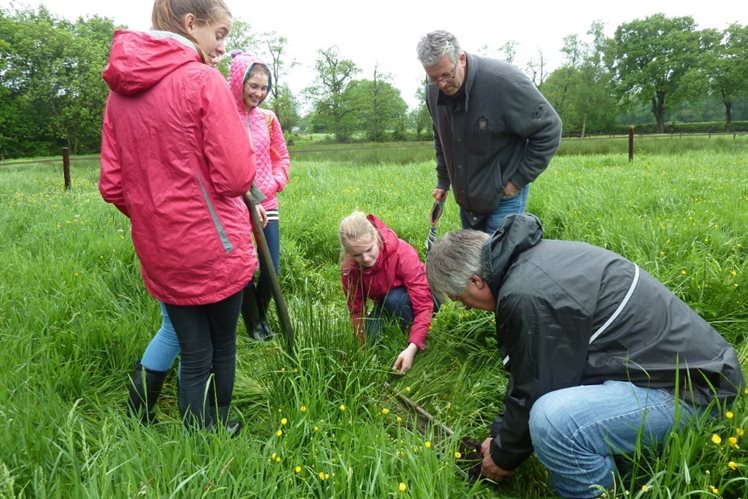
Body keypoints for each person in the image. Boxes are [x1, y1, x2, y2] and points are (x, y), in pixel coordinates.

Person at [425, 214, 745, 498]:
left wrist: (502, 456)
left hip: (698, 394)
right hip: (692, 373)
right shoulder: (531, 261)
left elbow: (539, 387)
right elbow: (531, 372)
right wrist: (498, 436)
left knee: (553, 421)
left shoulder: (524, 295)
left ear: (476, 281)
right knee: (547, 414)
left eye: (460, 298)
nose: (466, 307)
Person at [100, 0, 257, 431]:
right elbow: (236, 177)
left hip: (160, 250)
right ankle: (217, 429)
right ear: (191, 24)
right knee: (222, 345)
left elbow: (113, 185)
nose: (223, 47)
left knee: (193, 353)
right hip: (215, 246)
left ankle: (194, 441)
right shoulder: (201, 80)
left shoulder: (119, 95)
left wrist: (156, 215)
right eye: (220, 34)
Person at [416, 30, 562, 235]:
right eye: (433, 78)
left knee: (500, 262)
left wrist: (518, 180)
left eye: (446, 75)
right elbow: (442, 138)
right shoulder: (433, 92)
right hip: (467, 201)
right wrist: (443, 180)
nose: (441, 84)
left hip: (504, 198)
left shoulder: (504, 82)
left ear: (462, 59)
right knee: (474, 263)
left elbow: (549, 127)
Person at [229, 50, 291, 341]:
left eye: (264, 87)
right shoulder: (223, 116)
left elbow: (283, 159)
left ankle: (261, 317)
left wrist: (275, 183)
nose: (259, 93)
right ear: (238, 81)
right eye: (253, 85)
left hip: (267, 201)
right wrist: (244, 198)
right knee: (242, 269)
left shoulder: (268, 119)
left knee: (271, 269)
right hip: (235, 204)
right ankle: (256, 326)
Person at [339, 212, 438, 374]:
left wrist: (412, 347)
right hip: (385, 302)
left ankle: (414, 335)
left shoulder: (402, 252)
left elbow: (423, 304)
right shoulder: (349, 269)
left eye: (369, 249)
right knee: (371, 335)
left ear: (376, 238)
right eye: (357, 255)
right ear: (348, 252)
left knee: (393, 299)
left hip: (424, 299)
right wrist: (362, 348)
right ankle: (397, 329)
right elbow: (356, 312)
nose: (365, 258)